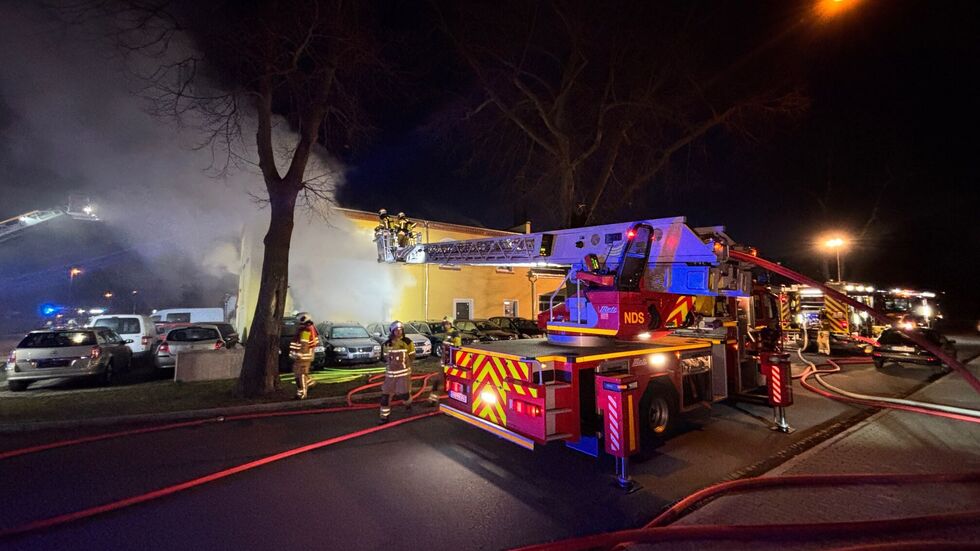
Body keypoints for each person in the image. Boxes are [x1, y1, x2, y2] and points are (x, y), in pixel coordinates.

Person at [380, 321, 416, 423]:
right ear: (392, 331)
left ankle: (408, 404)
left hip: (403, 375)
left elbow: (412, 356)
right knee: (385, 396)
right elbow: (385, 358)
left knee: (404, 394)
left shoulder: (408, 342)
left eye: (400, 330)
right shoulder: (387, 344)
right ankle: (384, 417)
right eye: (396, 330)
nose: (399, 332)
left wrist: (405, 365)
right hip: (390, 376)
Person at [428, 318, 462, 407]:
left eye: (447, 324)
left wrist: (452, 361)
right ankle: (433, 400)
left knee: (445, 383)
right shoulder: (447, 333)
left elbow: (457, 347)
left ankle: (452, 402)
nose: (445, 326)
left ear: (451, 324)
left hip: (451, 362)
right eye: (444, 324)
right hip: (444, 361)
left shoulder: (455, 333)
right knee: (438, 381)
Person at [288, 312, 319, 400]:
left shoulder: (306, 330)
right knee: (298, 374)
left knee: (301, 375)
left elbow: (304, 344)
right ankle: (309, 384)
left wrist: (299, 354)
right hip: (302, 356)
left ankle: (302, 394)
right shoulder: (307, 328)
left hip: (303, 357)